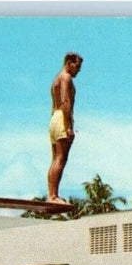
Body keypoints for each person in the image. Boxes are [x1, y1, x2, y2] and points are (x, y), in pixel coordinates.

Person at [47, 52, 82, 204]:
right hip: (62, 118)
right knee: (61, 158)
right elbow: (65, 102)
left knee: (55, 158)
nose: (79, 70)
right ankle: (54, 196)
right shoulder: (66, 78)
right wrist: (69, 126)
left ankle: (51, 194)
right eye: (77, 65)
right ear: (69, 63)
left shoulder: (57, 78)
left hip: (54, 118)